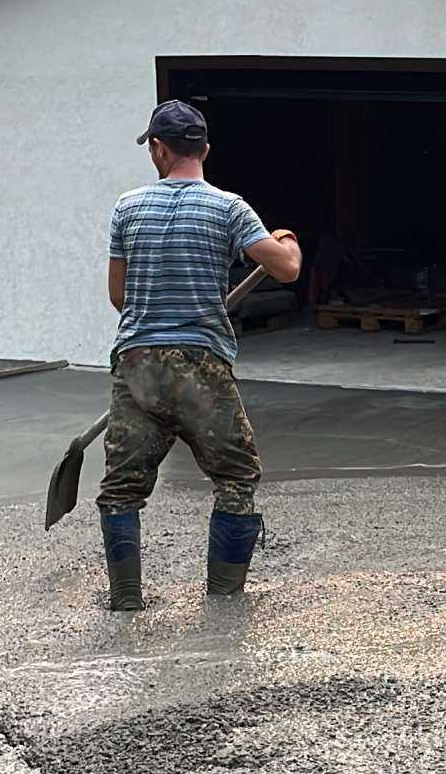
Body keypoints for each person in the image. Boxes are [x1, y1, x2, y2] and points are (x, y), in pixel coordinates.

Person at [98, 99, 302, 611]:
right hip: (201, 364)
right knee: (235, 479)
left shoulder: (127, 207)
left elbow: (119, 297)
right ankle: (223, 600)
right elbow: (287, 270)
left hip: (137, 364)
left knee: (122, 490)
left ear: (159, 150)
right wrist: (288, 241)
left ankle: (125, 599)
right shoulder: (229, 208)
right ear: (205, 150)